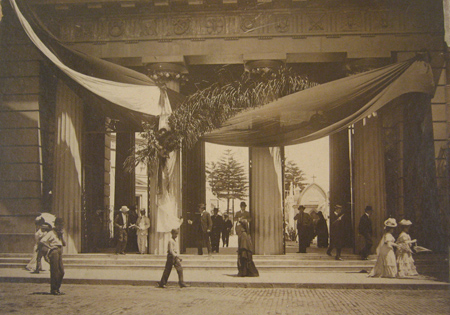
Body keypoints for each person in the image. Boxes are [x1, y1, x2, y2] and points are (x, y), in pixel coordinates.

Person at [38, 217, 66, 295]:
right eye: (59, 225)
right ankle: (53, 289)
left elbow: (64, 244)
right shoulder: (51, 233)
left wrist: (61, 236)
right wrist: (50, 247)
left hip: (60, 251)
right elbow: (42, 241)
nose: (61, 227)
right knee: (54, 271)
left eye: (62, 225)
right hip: (54, 251)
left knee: (61, 271)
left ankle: (57, 288)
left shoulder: (60, 233)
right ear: (55, 225)